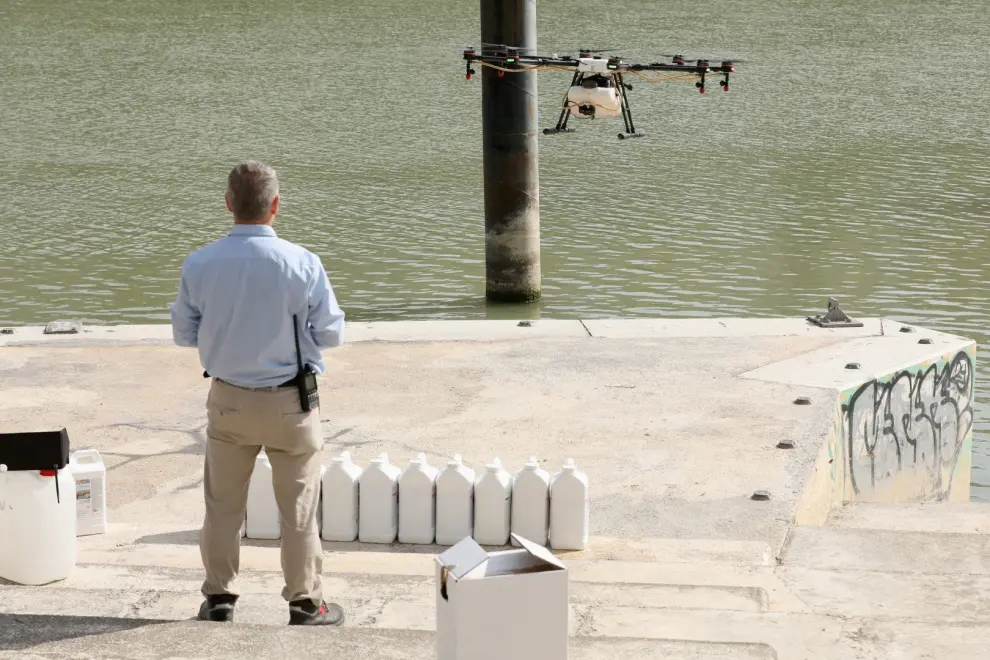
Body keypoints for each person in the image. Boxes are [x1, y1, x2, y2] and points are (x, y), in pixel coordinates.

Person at [170, 161, 346, 626]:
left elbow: (185, 334)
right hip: (290, 402)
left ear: (228, 204)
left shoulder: (200, 262)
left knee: (222, 506)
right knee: (298, 509)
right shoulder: (302, 262)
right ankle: (305, 603)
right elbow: (330, 334)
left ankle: (220, 598)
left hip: (228, 399)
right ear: (275, 206)